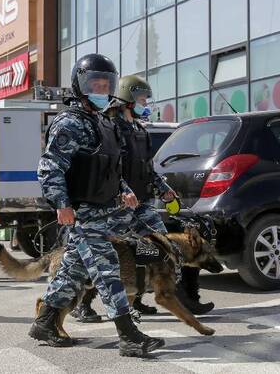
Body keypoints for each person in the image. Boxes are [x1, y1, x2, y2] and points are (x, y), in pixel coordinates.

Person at [29, 54, 165, 358]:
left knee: (72, 272)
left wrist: (125, 191)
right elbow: (50, 167)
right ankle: (129, 336)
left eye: (106, 85)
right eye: (95, 84)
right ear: (80, 85)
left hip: (107, 211)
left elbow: (111, 168)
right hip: (84, 214)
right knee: (107, 273)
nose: (101, 89)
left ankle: (46, 322)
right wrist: (61, 203)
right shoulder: (70, 123)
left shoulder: (103, 122)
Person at [70, 75, 183, 323]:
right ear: (129, 100)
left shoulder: (140, 130)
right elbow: (110, 167)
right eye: (142, 99)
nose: (146, 103)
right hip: (118, 204)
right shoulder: (112, 128)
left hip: (142, 202)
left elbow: (148, 168)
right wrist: (120, 190)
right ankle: (84, 303)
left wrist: (163, 188)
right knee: (108, 254)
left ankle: (137, 298)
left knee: (154, 246)